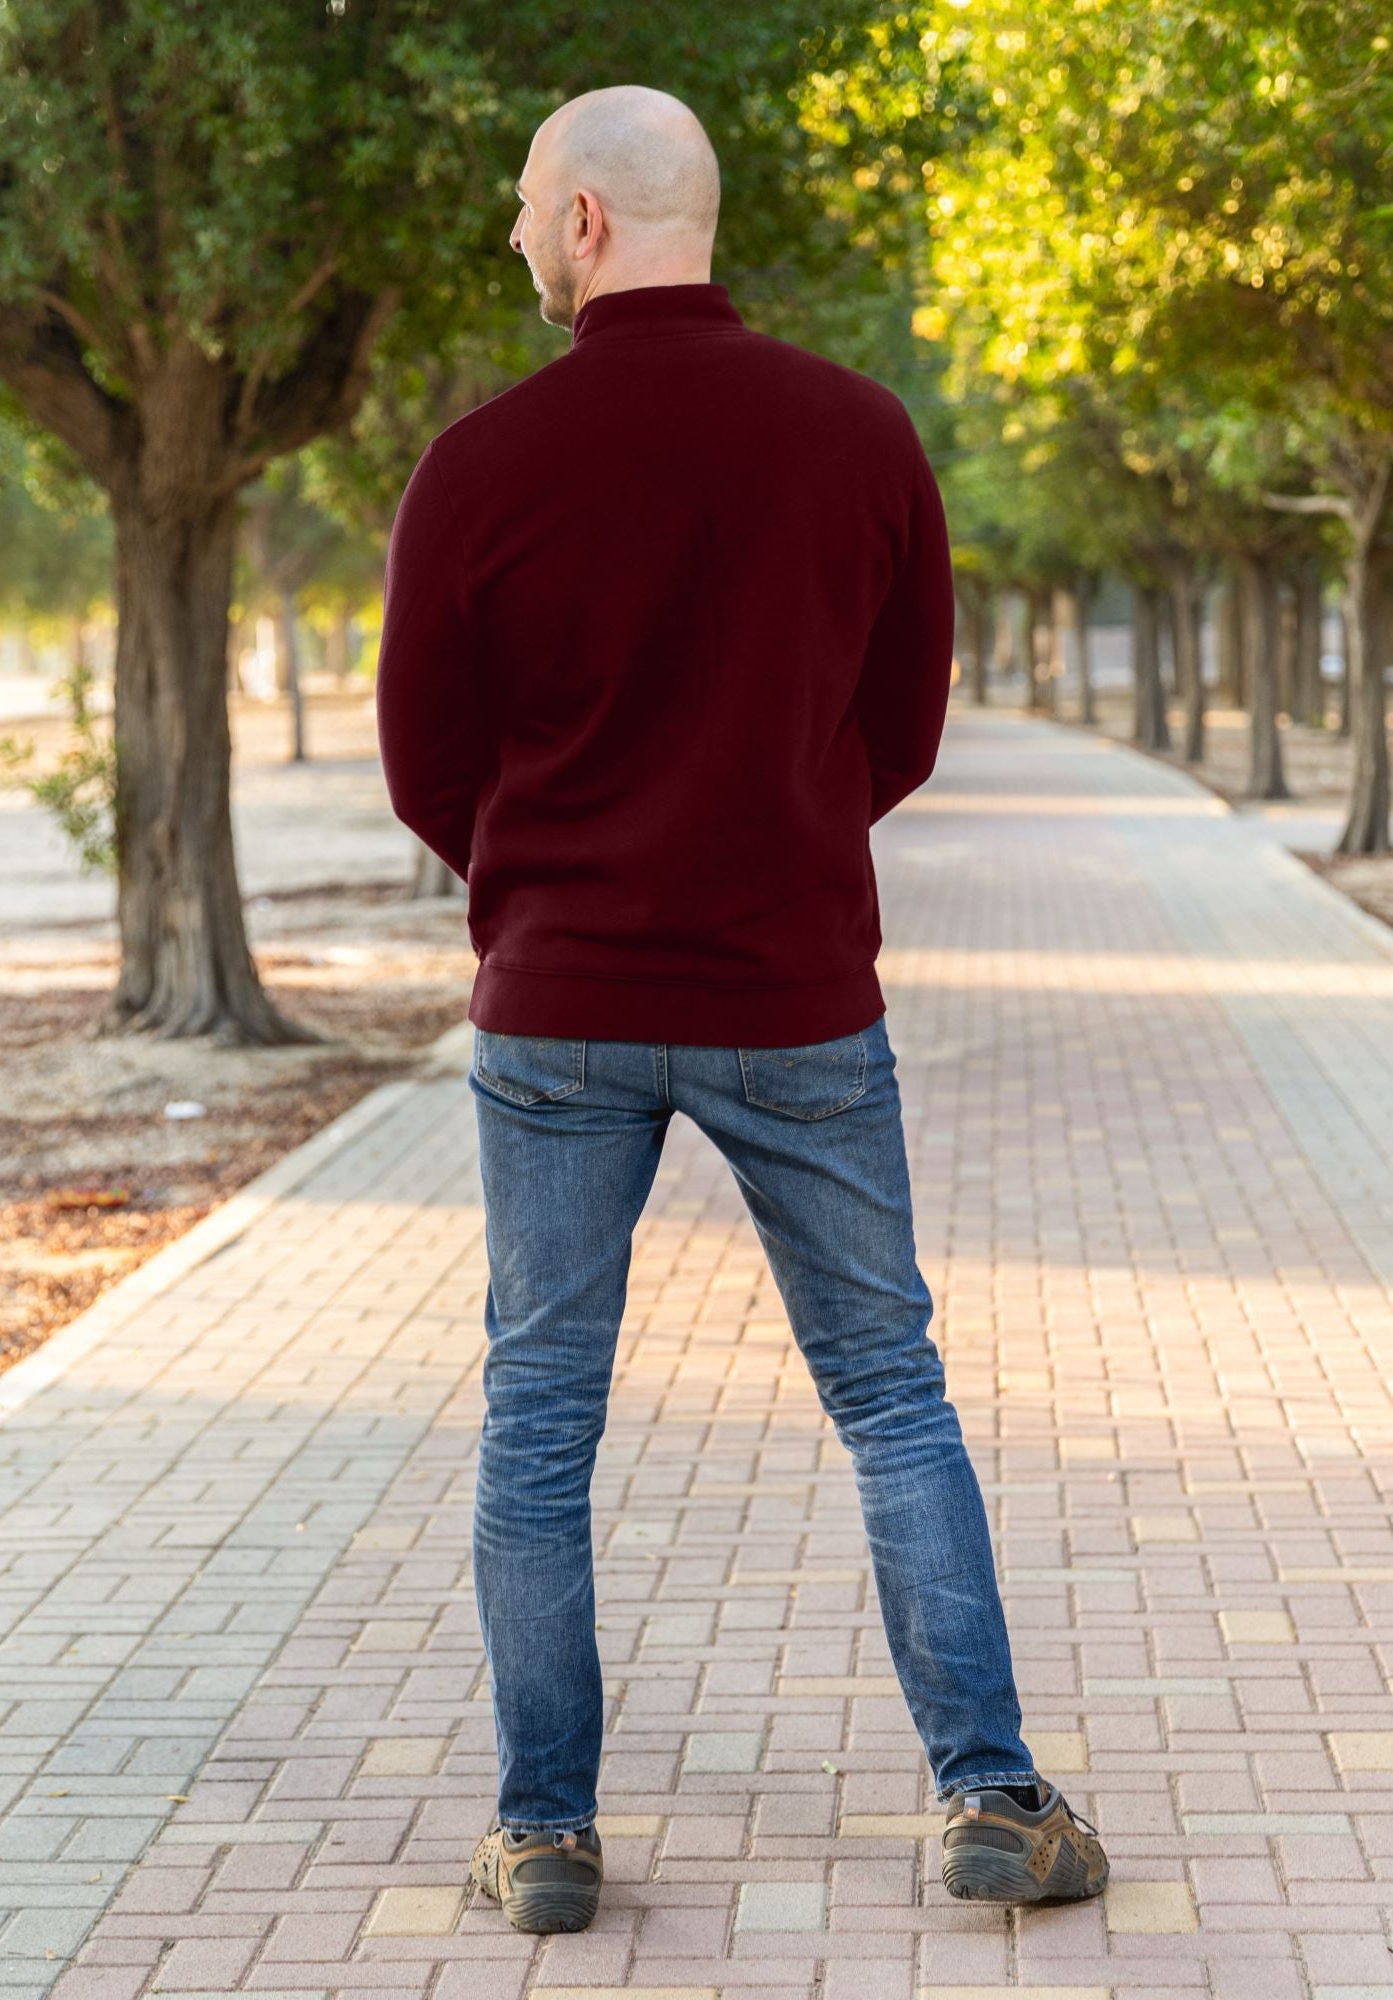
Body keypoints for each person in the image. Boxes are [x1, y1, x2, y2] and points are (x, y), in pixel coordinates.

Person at [375, 82, 1108, 1934]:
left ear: (595, 225)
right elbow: (907, 720)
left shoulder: (478, 464)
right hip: (794, 993)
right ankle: (993, 1801)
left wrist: (556, 883)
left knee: (539, 1415)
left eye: (531, 208)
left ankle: (544, 1835)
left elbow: (423, 761)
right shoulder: (860, 438)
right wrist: (765, 839)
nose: (517, 237)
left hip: (556, 1013)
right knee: (891, 1392)